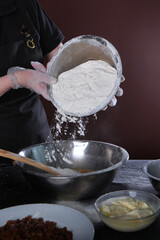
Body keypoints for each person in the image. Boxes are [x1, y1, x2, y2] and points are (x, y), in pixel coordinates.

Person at [0, 0, 64, 153]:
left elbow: (59, 53)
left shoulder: (25, 4)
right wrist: (16, 79)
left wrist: (85, 76)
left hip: (36, 138)